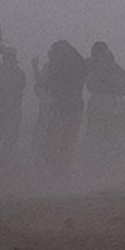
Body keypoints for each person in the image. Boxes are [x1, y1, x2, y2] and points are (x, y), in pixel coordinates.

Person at [34, 40, 86, 181]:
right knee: (68, 143)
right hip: (76, 109)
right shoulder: (79, 65)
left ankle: (55, 174)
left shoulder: (56, 67)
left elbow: (45, 86)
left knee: (52, 142)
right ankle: (63, 174)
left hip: (60, 110)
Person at [84, 41, 125, 176]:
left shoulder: (116, 70)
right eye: (97, 53)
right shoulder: (91, 67)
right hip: (98, 110)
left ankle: (112, 174)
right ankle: (98, 175)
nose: (99, 56)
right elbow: (89, 84)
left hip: (114, 111)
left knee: (114, 143)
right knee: (96, 143)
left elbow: (124, 88)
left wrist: (104, 80)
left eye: (102, 53)